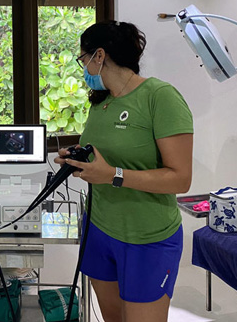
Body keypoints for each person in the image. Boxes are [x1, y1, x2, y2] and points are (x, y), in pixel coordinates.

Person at [55, 21, 193, 322]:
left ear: (99, 56)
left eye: (83, 59)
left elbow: (181, 179)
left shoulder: (161, 97)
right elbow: (103, 156)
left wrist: (114, 174)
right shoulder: (101, 102)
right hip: (100, 228)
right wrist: (78, 159)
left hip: (147, 237)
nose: (84, 68)